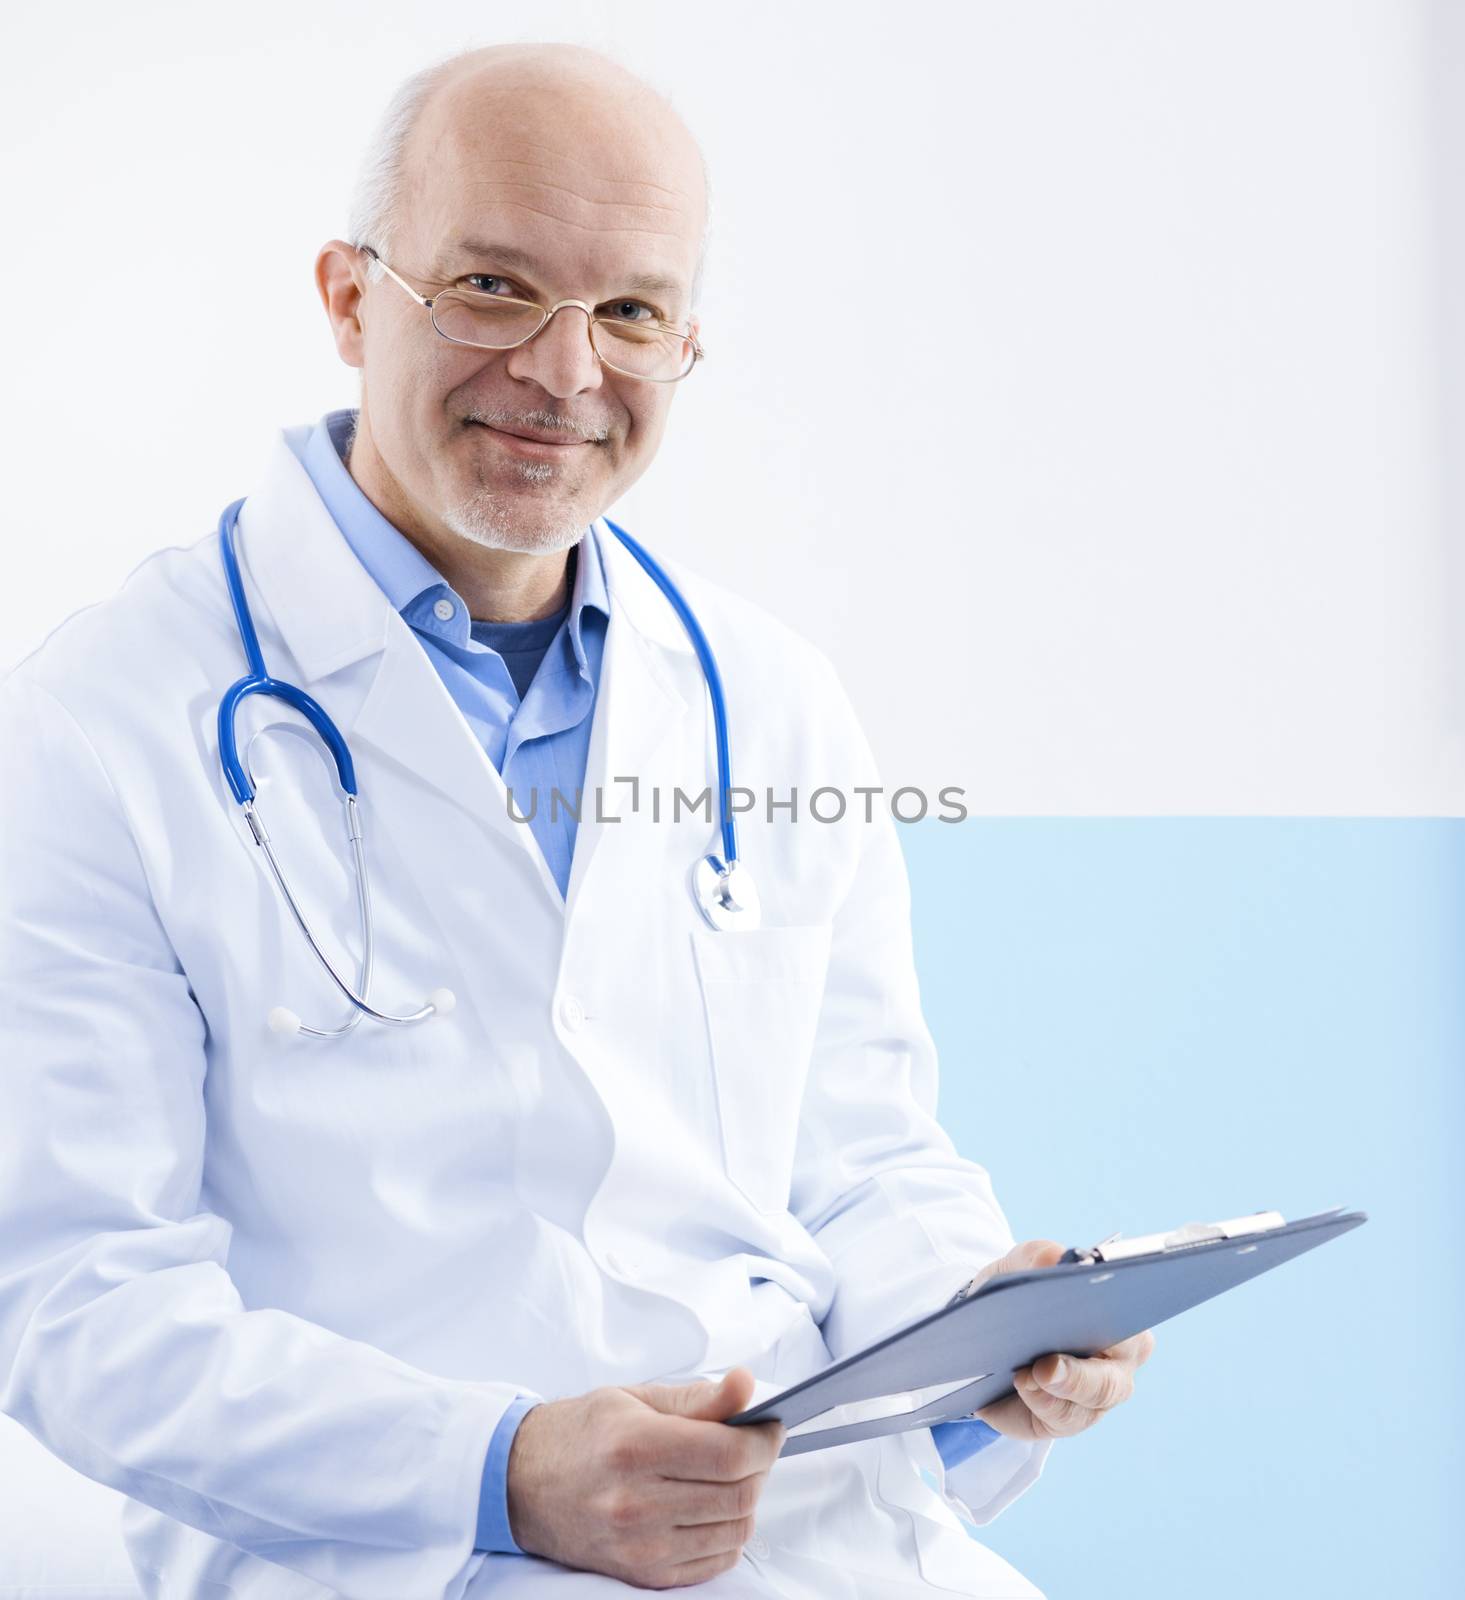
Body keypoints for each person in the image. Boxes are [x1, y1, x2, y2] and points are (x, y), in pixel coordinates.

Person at [0, 41, 1153, 1600]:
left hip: (809, 1531)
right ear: (348, 297)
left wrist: (977, 1330)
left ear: (685, 339)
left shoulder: (767, 693)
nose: (565, 373)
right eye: (489, 286)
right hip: (399, 1554)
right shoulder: (106, 719)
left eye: (629, 311)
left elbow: (864, 1162)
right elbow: (73, 1295)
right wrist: (498, 1469)